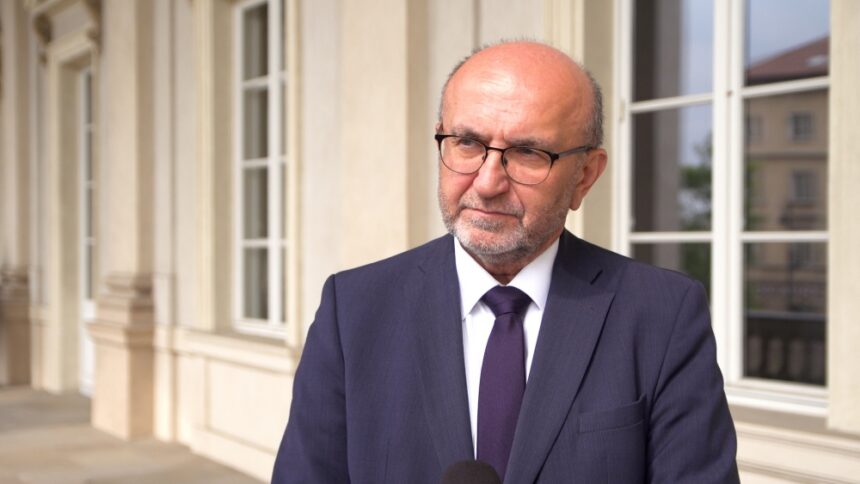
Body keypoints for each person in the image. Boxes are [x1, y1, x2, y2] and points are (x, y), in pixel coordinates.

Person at [272, 41, 739, 483]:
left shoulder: (663, 314)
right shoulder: (353, 310)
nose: (488, 182)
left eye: (528, 153)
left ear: (585, 176)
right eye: (466, 143)